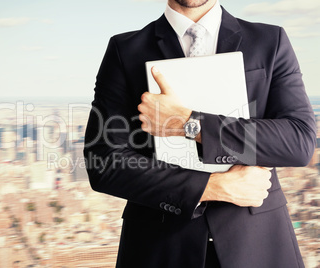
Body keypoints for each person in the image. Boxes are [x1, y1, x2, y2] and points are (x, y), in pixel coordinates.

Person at [84, 0, 317, 267]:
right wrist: (211, 188)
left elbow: (299, 141)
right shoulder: (124, 50)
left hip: (259, 243)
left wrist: (187, 123)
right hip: (160, 247)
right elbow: (103, 162)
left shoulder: (269, 40)